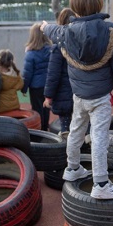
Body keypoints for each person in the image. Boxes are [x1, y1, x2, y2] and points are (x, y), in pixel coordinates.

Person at [42, 0, 113, 200]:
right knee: (99, 136)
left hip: (79, 96)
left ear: (74, 5)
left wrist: (43, 27)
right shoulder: (110, 33)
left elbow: (51, 30)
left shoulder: (65, 32)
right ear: (99, 3)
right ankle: (101, 183)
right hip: (100, 97)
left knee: (76, 130)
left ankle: (72, 168)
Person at [43, 8, 75, 137]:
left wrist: (48, 96)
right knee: (83, 121)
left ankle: (67, 148)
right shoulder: (80, 44)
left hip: (63, 91)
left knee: (66, 126)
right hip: (80, 91)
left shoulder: (58, 47)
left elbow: (53, 74)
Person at [22, 23, 52, 132]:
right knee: (46, 108)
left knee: (37, 109)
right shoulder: (51, 50)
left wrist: (24, 88)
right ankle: (45, 128)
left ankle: (39, 131)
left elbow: (27, 73)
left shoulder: (30, 53)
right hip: (48, 84)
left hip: (36, 86)